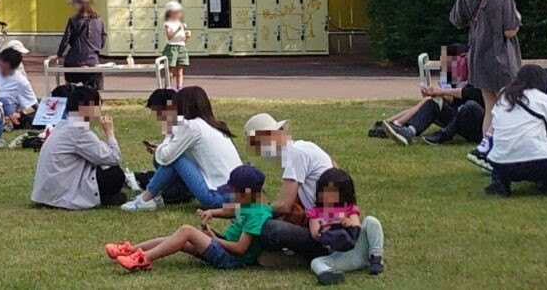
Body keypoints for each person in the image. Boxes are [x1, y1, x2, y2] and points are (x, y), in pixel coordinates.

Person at [105, 164, 270, 272]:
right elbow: (232, 211)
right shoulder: (250, 203)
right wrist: (213, 213)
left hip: (232, 259)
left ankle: (143, 259)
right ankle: (131, 250)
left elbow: (240, 249)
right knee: (178, 239)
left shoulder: (257, 214)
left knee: (186, 231)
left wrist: (215, 239)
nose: (230, 195)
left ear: (246, 193)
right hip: (225, 248)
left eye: (233, 191)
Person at [449, 0, 520, 164]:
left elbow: (456, 20)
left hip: (478, 57)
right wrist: (517, 15)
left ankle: (487, 150)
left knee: (491, 107)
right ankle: (493, 151)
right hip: (502, 60)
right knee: (508, 106)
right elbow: (510, 30)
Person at [123, 85, 243, 211]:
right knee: (173, 155)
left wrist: (169, 132)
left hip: (217, 197)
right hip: (236, 195)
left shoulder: (191, 126)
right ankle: (152, 196)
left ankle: (147, 198)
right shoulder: (213, 125)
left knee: (174, 158)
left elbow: (165, 157)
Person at [238, 112, 335, 258]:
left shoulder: (295, 155)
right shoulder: (304, 147)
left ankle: (312, 254)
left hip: (323, 230)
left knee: (268, 229)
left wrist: (256, 212)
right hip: (327, 223)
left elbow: (284, 205)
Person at [484, 63, 547, 196]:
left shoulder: (503, 95)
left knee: (500, 135)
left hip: (502, 165)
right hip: (540, 164)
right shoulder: (543, 99)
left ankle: (498, 182)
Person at [31, 85, 127, 208]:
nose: (100, 110)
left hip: (48, 193)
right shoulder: (79, 131)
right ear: (86, 108)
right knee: (115, 175)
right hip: (62, 195)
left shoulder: (63, 125)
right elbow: (114, 158)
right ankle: (103, 197)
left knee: (103, 167)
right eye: (98, 106)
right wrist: (110, 133)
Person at [308, 167, 386, 283]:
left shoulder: (349, 210)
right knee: (315, 262)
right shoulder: (316, 213)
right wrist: (322, 231)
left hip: (358, 249)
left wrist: (347, 223)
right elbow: (315, 233)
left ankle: (375, 256)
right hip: (340, 256)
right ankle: (327, 273)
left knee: (371, 221)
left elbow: (356, 228)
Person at [57, 0, 106, 88]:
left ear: (79, 4)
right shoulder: (99, 20)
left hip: (75, 62)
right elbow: (103, 38)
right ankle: (93, 100)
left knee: (71, 87)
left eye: (74, 3)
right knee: (92, 89)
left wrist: (58, 54)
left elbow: (66, 40)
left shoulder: (73, 20)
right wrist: (94, 50)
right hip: (92, 60)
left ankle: (71, 96)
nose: (73, 6)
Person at [161, 1, 190, 91]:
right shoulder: (167, 24)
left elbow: (183, 40)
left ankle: (179, 89)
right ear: (170, 13)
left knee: (180, 71)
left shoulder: (181, 24)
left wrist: (187, 37)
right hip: (171, 48)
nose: (179, 14)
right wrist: (178, 29)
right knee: (170, 71)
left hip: (181, 47)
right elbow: (170, 37)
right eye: (176, 12)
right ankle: (168, 88)